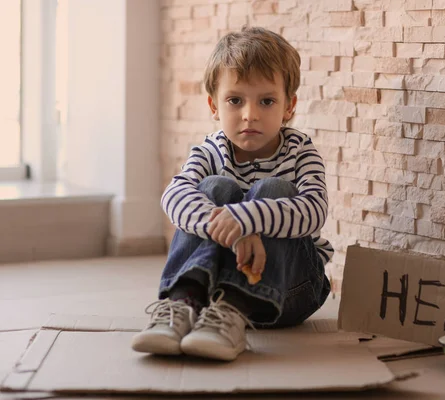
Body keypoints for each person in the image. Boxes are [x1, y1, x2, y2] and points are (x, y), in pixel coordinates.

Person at [131, 26, 333, 361]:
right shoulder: (210, 150)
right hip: (215, 286)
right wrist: (230, 230)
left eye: (266, 101)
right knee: (213, 188)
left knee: (273, 190)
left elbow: (314, 210)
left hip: (291, 290)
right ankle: (183, 303)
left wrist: (247, 218)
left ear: (289, 106)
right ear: (214, 105)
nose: (250, 114)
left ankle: (235, 311)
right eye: (235, 100)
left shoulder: (300, 151)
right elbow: (174, 196)